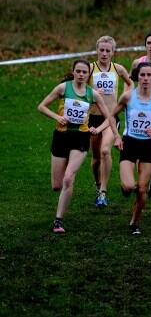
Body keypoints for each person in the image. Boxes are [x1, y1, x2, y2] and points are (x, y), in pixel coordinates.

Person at [38, 60, 120, 234]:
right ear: (74, 72)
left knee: (69, 178)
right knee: (56, 185)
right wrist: (57, 117)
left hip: (81, 138)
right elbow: (42, 107)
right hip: (61, 137)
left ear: (88, 75)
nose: (81, 74)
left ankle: (58, 221)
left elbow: (110, 117)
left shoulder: (93, 94)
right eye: (78, 71)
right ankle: (62, 198)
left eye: (84, 72)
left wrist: (100, 130)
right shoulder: (63, 88)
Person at [111, 62, 151, 235]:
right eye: (142, 75)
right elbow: (111, 116)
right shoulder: (128, 97)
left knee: (142, 188)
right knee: (129, 186)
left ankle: (134, 223)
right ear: (137, 76)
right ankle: (125, 188)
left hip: (148, 145)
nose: (145, 78)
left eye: (149, 75)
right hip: (129, 143)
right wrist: (117, 136)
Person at [88, 36, 132, 208]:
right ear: (97, 50)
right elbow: (79, 88)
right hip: (93, 118)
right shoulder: (90, 68)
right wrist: (91, 92)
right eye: (102, 50)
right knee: (96, 159)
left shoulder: (118, 69)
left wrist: (124, 97)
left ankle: (103, 192)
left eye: (108, 50)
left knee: (105, 151)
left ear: (113, 52)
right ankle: (98, 184)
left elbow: (130, 83)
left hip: (111, 117)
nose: (104, 53)